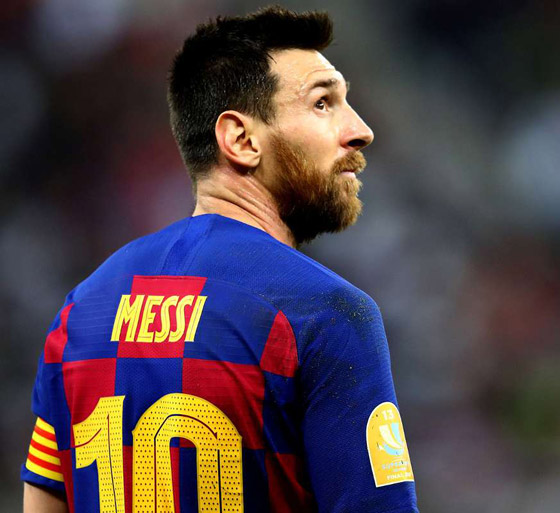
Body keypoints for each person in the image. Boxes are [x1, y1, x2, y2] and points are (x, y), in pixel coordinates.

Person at [22, 6, 419, 513]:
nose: (360, 130)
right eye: (323, 103)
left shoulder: (82, 312)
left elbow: (42, 501)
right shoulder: (325, 313)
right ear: (241, 139)